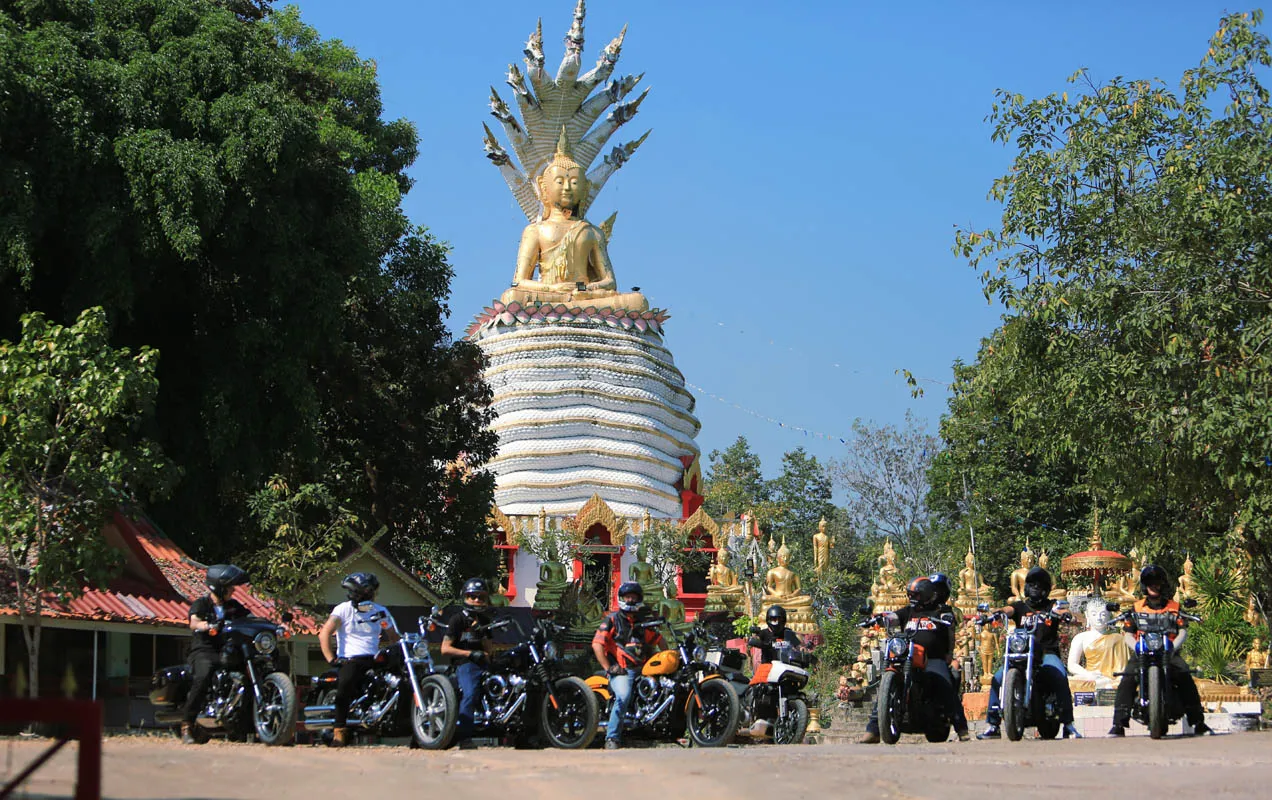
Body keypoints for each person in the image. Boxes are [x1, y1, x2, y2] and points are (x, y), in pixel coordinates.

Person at [859, 577, 970, 744]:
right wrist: (880, 619)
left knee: (945, 685)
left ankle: (961, 729)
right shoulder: (909, 611)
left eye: (915, 595)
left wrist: (947, 619)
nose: (912, 598)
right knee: (885, 687)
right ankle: (873, 730)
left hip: (933, 659)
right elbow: (894, 617)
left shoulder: (940, 611)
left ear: (926, 594)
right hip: (907, 655)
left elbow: (950, 625)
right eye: (910, 594)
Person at [978, 567, 1081, 739]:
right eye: (1031, 585)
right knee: (998, 677)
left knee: (1060, 675)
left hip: (1046, 653)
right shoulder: (1020, 606)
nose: (1034, 588)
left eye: (1039, 585)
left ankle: (1068, 724)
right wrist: (994, 614)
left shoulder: (1051, 606)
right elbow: (1007, 610)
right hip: (1022, 652)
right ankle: (993, 725)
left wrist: (1066, 615)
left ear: (1045, 589)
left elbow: (1062, 610)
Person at [1109, 565, 1213, 736]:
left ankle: (1198, 722)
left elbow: (1182, 630)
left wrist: (1173, 646)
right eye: (1150, 583)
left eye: (1157, 582)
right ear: (1144, 586)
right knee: (1127, 678)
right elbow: (1128, 633)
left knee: (1185, 675)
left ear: (1162, 584)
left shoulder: (1174, 607)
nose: (1154, 586)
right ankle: (1118, 724)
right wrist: (1136, 646)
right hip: (1142, 653)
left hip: (1168, 653)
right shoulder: (1137, 608)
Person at [318, 572, 396, 747]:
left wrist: (396, 650)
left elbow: (392, 635)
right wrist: (332, 659)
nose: (373, 594)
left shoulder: (379, 611)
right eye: (370, 591)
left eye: (373, 591)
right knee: (345, 684)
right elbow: (324, 633)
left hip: (374, 658)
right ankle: (339, 729)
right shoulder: (343, 610)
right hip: (351, 658)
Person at [592, 581, 667, 750]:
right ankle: (612, 738)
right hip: (622, 670)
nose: (631, 600)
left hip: (643, 669)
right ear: (621, 598)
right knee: (623, 696)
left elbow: (660, 640)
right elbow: (597, 644)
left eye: (634, 597)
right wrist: (608, 668)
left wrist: (668, 656)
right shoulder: (612, 620)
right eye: (628, 597)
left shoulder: (642, 622)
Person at [182, 565, 249, 744]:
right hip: (204, 649)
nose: (233, 590)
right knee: (204, 674)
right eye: (230, 587)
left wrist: (276, 625)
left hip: (228, 650)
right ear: (219, 588)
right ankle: (187, 724)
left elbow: (250, 619)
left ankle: (245, 726)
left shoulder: (234, 606)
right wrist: (205, 625)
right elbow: (194, 622)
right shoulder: (202, 604)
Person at [440, 577, 496, 747]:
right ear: (465, 597)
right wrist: (470, 654)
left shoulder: (485, 620)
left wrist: (482, 633)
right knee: (470, 693)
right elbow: (445, 649)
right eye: (473, 596)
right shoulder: (457, 620)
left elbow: (489, 649)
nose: (477, 600)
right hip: (464, 664)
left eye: (481, 597)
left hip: (483, 663)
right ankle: (464, 737)